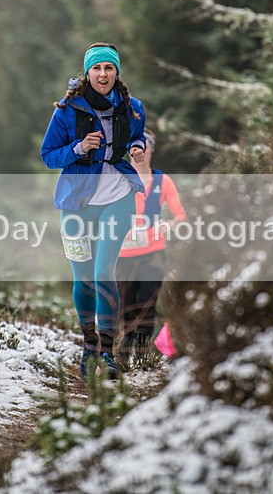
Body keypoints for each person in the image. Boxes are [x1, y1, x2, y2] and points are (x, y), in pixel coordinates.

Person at [41, 42, 146, 381]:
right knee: (84, 278)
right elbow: (48, 156)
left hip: (118, 195)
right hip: (76, 202)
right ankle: (88, 348)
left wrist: (137, 148)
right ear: (87, 73)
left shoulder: (133, 108)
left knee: (104, 271)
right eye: (97, 69)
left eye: (109, 68)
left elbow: (139, 136)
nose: (103, 74)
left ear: (117, 73)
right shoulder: (67, 110)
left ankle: (107, 351)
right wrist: (78, 147)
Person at [117, 129, 186, 362]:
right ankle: (125, 352)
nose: (141, 153)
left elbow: (181, 216)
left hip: (153, 253)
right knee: (126, 306)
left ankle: (144, 354)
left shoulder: (162, 181)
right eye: (136, 148)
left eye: (146, 147)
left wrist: (169, 225)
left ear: (152, 151)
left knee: (147, 303)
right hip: (123, 253)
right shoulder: (119, 179)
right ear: (128, 152)